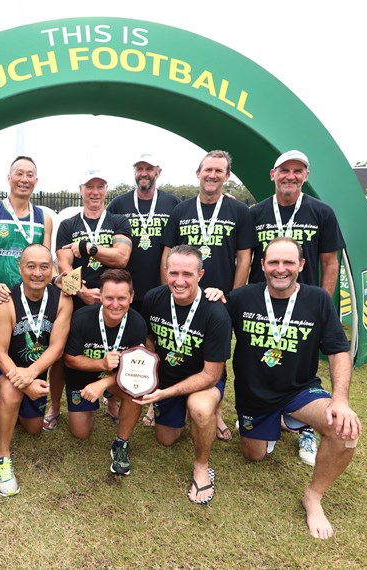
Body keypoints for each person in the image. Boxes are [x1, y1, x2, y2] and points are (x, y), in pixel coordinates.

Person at [225, 237, 360, 539]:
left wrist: (340, 399)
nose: (280, 269)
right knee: (254, 456)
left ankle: (313, 497)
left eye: (288, 262)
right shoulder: (241, 298)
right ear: (262, 266)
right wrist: (209, 294)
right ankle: (285, 422)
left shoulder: (318, 299)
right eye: (273, 262)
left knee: (343, 429)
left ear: (301, 265)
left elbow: (338, 350)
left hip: (300, 390)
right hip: (255, 396)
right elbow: (210, 321)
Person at [110, 246, 231, 505]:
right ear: (165, 272)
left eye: (187, 273)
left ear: (201, 274)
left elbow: (211, 374)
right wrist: (149, 375)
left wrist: (164, 394)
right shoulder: (154, 297)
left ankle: (201, 466)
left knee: (198, 407)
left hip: (201, 380)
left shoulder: (215, 312)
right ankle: (182, 412)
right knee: (166, 439)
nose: (179, 280)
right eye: (173, 272)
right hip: (166, 379)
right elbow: (148, 339)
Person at [248, 150, 345, 466]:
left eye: (297, 170)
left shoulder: (322, 212)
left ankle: (305, 427)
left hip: (304, 303)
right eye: (284, 170)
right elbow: (246, 258)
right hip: (263, 303)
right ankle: (268, 414)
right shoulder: (256, 212)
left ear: (305, 176)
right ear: (272, 175)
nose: (290, 175)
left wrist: (322, 307)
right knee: (260, 359)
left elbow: (331, 263)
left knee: (302, 365)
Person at [160, 150, 256, 441]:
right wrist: (166, 291)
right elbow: (167, 252)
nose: (212, 175)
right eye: (207, 170)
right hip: (182, 293)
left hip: (218, 297)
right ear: (198, 173)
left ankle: (214, 412)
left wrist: (233, 296)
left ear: (227, 176)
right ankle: (165, 399)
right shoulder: (181, 209)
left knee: (216, 354)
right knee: (176, 345)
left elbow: (245, 256)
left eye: (219, 170)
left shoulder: (239, 211)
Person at [47, 169, 132, 431]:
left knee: (117, 349)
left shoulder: (118, 221)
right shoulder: (68, 225)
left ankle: (113, 401)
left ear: (106, 190)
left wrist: (89, 248)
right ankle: (55, 406)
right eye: (89, 186)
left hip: (114, 301)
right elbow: (63, 266)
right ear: (81, 189)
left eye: (100, 186)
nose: (95, 192)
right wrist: (82, 291)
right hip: (77, 299)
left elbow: (121, 258)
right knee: (62, 354)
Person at [0, 244, 72, 496]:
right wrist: (23, 382)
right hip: (7, 368)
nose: (37, 273)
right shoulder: (6, 301)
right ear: (20, 268)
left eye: (44, 267)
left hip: (36, 371)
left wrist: (32, 373)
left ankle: (10, 413)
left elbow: (57, 347)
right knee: (13, 393)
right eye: (31, 266)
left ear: (53, 269)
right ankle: (3, 457)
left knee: (34, 428)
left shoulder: (63, 300)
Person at [106, 153, 180, 424]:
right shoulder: (119, 203)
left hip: (159, 289)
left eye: (149, 168)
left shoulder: (173, 203)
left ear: (158, 170)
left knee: (155, 344)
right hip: (125, 291)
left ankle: (152, 400)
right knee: (120, 342)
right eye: (140, 168)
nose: (144, 173)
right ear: (134, 171)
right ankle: (113, 399)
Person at [0, 156, 52, 399]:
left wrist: (61, 281)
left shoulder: (43, 218)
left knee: (21, 352)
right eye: (19, 173)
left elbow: (48, 261)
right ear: (9, 178)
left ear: (36, 181)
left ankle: (13, 397)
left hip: (29, 303)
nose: (24, 179)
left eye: (30, 175)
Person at [62, 269, 146, 440]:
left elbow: (138, 372)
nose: (115, 305)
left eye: (121, 298)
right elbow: (70, 359)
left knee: (136, 393)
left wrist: (104, 383)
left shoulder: (138, 324)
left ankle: (122, 442)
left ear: (131, 296)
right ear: (100, 296)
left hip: (117, 378)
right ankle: (98, 400)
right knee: (80, 433)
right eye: (109, 298)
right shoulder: (81, 318)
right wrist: (102, 364)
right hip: (82, 378)